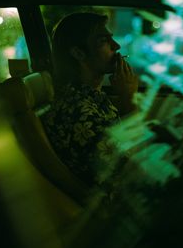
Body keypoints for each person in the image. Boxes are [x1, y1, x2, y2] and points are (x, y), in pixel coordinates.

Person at [41, 11, 138, 187]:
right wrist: (129, 98)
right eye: (103, 41)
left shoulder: (93, 96)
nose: (116, 46)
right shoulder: (78, 112)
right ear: (78, 53)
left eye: (112, 38)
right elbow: (128, 170)